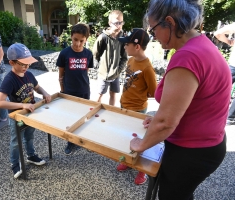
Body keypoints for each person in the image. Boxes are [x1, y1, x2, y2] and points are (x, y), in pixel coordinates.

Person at [130, 0, 230, 199]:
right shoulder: (201, 44)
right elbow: (192, 102)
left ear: (169, 22)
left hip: (192, 151)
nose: (154, 36)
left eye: (154, 29)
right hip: (207, 145)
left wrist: (141, 144)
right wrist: (160, 115)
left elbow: (166, 122)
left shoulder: (187, 57)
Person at [0, 43, 51, 178]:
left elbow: (37, 87)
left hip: (30, 114)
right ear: (12, 63)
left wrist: (45, 93)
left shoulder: (29, 74)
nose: (26, 67)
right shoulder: (9, 80)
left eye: (28, 63)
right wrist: (22, 106)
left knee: (29, 137)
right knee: (16, 141)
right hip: (18, 117)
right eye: (23, 64)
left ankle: (31, 156)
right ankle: (14, 164)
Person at [116, 28, 157, 185]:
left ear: (137, 46)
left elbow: (154, 92)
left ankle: (142, 171)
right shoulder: (131, 60)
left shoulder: (147, 68)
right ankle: (127, 160)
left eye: (127, 44)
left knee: (140, 140)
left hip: (138, 110)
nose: (125, 47)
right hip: (124, 105)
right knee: (126, 136)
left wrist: (140, 95)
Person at [56, 23, 94, 155]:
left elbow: (86, 72)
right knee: (70, 118)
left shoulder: (88, 54)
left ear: (86, 40)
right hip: (69, 92)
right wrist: (62, 91)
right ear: (71, 37)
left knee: (85, 117)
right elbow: (61, 75)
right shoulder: (64, 53)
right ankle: (71, 143)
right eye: (75, 39)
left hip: (84, 91)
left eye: (81, 41)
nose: (78, 43)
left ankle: (83, 140)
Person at [92, 10, 128, 106]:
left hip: (115, 74)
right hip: (104, 75)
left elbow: (124, 57)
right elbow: (95, 53)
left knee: (113, 94)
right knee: (99, 95)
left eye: (121, 22)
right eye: (116, 22)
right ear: (109, 23)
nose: (119, 25)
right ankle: (93, 112)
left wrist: (118, 70)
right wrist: (101, 67)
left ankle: (111, 112)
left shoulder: (122, 39)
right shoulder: (103, 37)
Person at [214, 22, 235, 124]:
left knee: (220, 88)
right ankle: (230, 117)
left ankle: (212, 110)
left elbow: (218, 33)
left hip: (233, 64)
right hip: (233, 64)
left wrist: (229, 41)